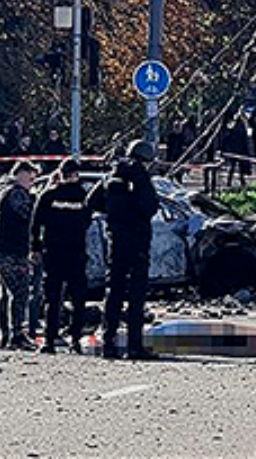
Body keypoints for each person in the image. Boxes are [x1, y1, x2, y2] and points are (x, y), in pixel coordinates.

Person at [87, 139, 159, 360]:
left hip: (115, 239)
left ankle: (108, 344)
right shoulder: (140, 176)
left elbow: (91, 201)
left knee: (114, 292)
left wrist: (114, 214)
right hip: (137, 241)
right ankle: (134, 346)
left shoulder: (112, 174)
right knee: (136, 295)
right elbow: (150, 207)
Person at [31, 158, 92, 354]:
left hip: (54, 253)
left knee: (53, 298)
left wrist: (36, 248)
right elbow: (87, 221)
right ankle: (75, 339)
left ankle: (50, 340)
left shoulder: (49, 195)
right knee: (78, 298)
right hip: (76, 253)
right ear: (76, 174)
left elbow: (35, 224)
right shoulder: (83, 195)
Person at [0, 160, 40, 350]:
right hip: (12, 250)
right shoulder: (16, 193)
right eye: (30, 177)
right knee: (19, 292)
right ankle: (17, 334)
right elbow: (29, 214)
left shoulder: (5, 190)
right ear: (20, 173)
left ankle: (6, 334)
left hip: (2, 248)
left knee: (5, 294)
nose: (32, 181)